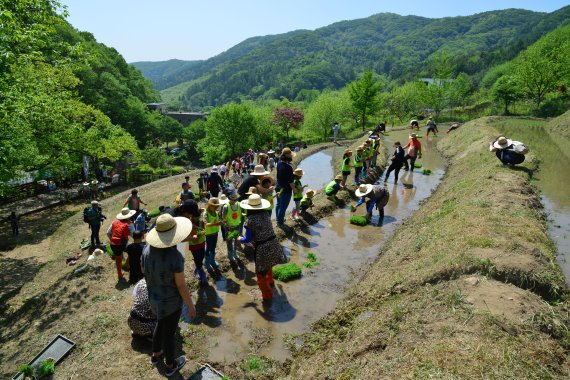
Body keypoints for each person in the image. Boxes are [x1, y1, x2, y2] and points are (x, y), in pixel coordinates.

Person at [142, 213, 196, 376]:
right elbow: (180, 285)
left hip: (154, 299)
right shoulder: (175, 257)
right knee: (169, 334)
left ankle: (156, 354)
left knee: (160, 323)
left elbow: (144, 271)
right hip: (171, 303)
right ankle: (171, 366)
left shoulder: (146, 249)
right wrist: (191, 305)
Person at [239, 194, 287, 303]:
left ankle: (267, 297)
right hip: (274, 243)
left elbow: (248, 239)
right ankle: (270, 282)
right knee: (268, 265)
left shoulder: (249, 220)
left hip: (262, 248)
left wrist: (240, 239)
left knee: (260, 275)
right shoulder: (265, 214)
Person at [180, 200, 208, 285]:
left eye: (197, 217)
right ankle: (200, 271)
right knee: (196, 258)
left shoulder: (201, 220)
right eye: (194, 218)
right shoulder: (189, 222)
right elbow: (186, 234)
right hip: (193, 244)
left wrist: (203, 225)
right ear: (191, 217)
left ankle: (198, 268)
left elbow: (204, 210)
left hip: (202, 242)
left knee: (202, 255)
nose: (195, 219)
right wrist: (193, 237)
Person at [107, 207, 135, 281]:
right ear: (129, 216)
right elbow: (134, 235)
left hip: (113, 244)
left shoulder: (114, 222)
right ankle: (127, 264)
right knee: (133, 250)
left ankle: (119, 274)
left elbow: (108, 233)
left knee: (118, 258)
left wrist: (112, 240)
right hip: (123, 244)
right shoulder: (130, 224)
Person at [220, 191, 242, 263]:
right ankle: (230, 254)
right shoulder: (226, 207)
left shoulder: (239, 204)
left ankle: (235, 253)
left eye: (236, 199)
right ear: (229, 198)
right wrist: (225, 223)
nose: (235, 200)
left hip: (236, 226)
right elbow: (223, 218)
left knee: (236, 240)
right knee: (229, 241)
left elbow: (240, 214)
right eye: (233, 199)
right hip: (228, 227)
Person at [275, 148, 295, 226]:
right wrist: (295, 190)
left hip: (278, 187)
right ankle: (280, 222)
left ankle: (278, 219)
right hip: (285, 190)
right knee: (283, 207)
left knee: (278, 204)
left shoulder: (279, 163)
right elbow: (290, 182)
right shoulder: (288, 168)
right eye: (291, 155)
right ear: (288, 157)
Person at [203, 197, 222, 272]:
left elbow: (218, 221)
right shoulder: (206, 213)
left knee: (213, 247)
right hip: (209, 234)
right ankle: (206, 263)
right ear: (209, 205)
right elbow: (206, 224)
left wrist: (222, 222)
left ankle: (212, 261)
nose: (216, 207)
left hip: (215, 233)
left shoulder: (216, 212)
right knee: (208, 248)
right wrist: (216, 223)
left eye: (217, 206)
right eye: (214, 206)